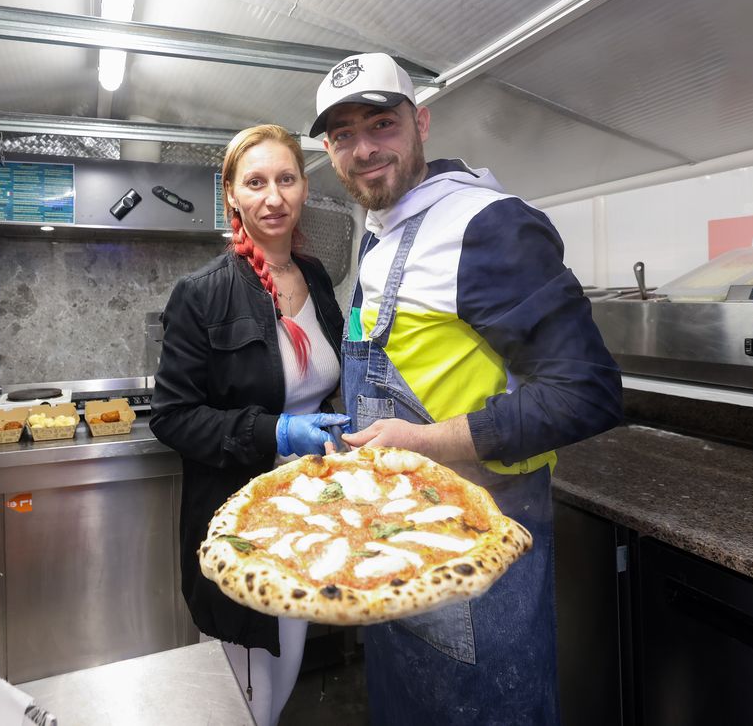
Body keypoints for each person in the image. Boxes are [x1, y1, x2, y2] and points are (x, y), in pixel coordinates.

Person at [310, 53, 623, 725]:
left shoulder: (488, 224)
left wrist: (424, 443)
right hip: (394, 548)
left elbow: (587, 391)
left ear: (420, 123)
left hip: (478, 548)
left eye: (381, 124)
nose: (363, 150)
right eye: (342, 135)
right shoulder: (379, 231)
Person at [149, 124, 348, 726]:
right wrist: (276, 432)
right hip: (246, 520)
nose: (273, 197)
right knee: (249, 693)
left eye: (286, 179)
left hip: (312, 514)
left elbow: (330, 374)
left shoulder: (316, 279)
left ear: (304, 187)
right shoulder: (202, 294)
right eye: (255, 183)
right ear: (231, 195)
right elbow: (173, 417)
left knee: (284, 669)